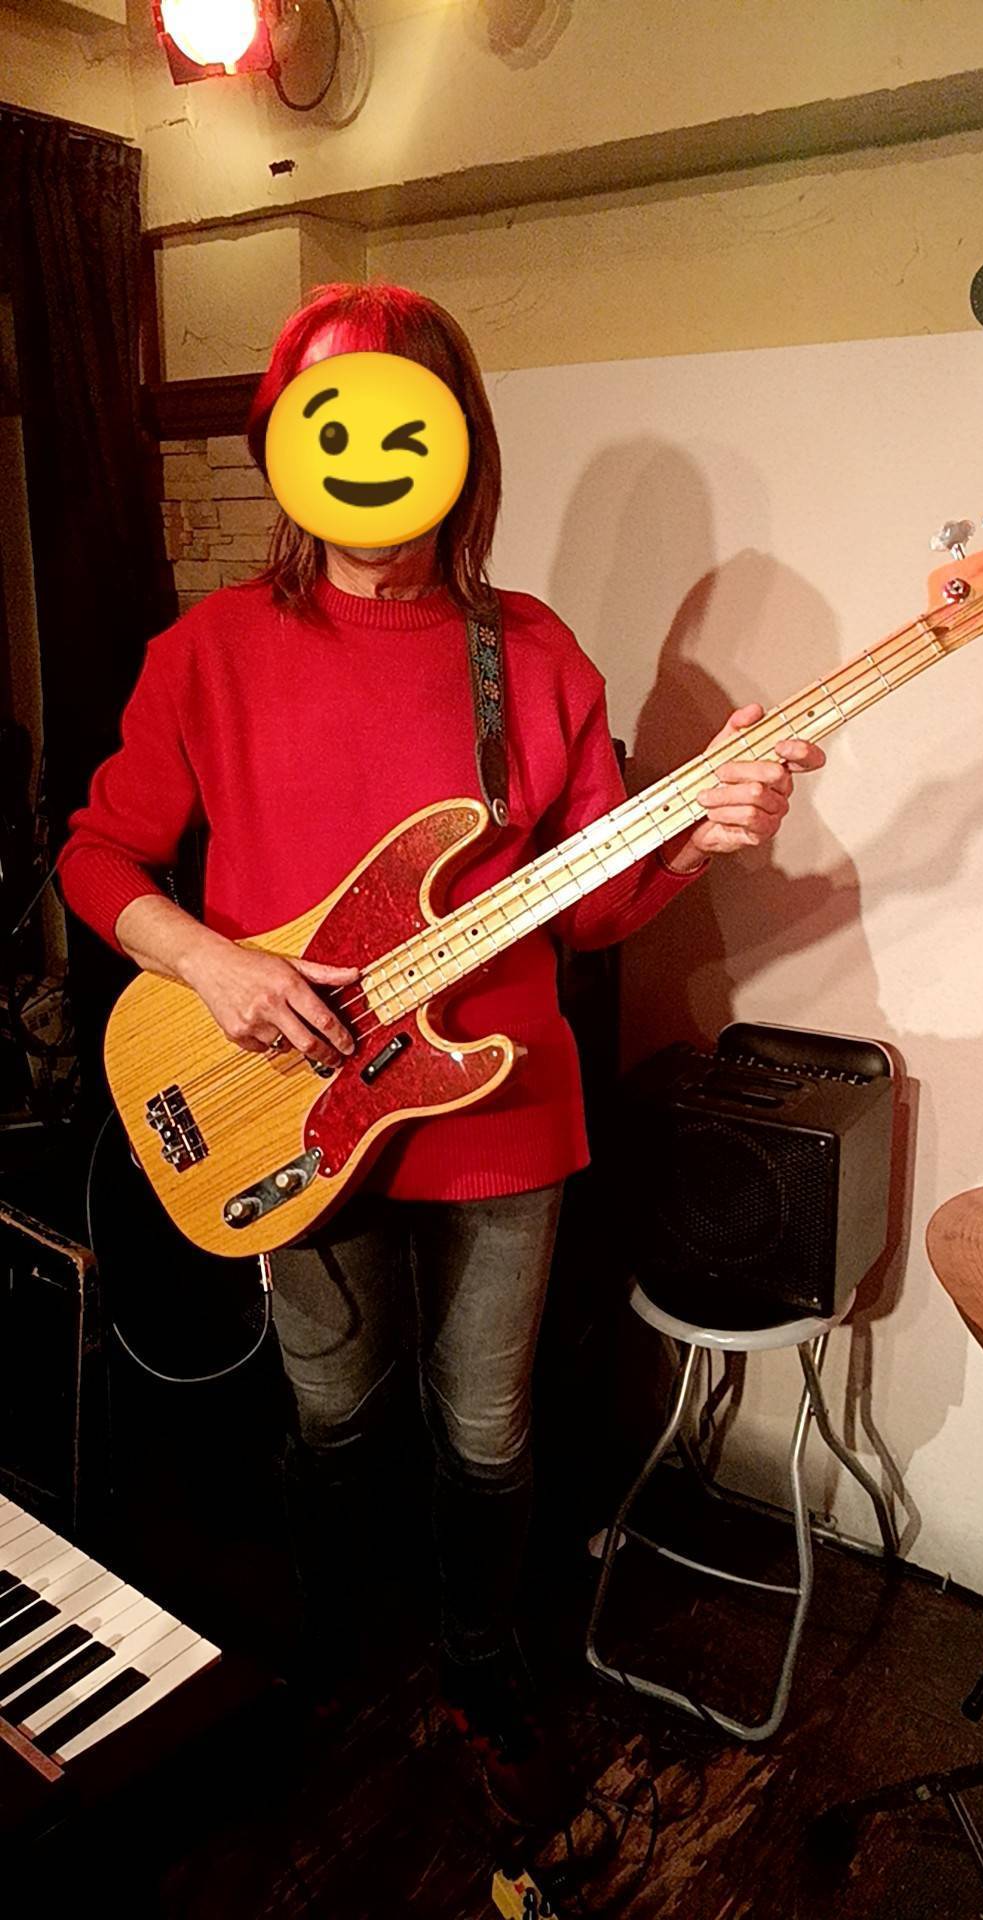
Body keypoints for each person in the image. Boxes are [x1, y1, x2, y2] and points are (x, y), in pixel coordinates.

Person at [58, 281, 825, 1822]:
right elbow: (98, 857)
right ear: (284, 442)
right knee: (333, 1412)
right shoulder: (210, 650)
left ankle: (479, 1660)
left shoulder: (529, 655)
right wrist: (210, 960)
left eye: (405, 418)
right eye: (329, 418)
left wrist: (694, 841)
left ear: (462, 443)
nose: (368, 455)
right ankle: (341, 1650)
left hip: (500, 1114)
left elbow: (587, 911)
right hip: (285, 1103)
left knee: (488, 1428)